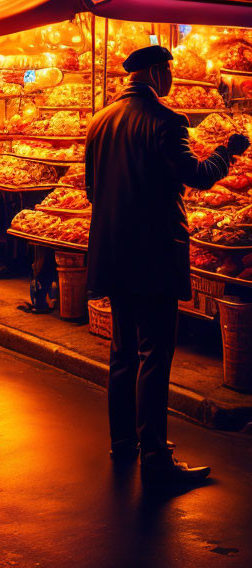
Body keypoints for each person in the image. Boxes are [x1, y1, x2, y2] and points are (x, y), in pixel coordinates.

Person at [86, 44, 248, 487]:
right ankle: (155, 459)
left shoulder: (100, 121)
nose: (172, 81)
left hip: (114, 253)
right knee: (155, 355)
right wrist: (227, 151)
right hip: (154, 254)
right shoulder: (166, 120)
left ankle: (125, 444)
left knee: (122, 355)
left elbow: (90, 190)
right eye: (170, 73)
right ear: (157, 73)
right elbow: (195, 176)